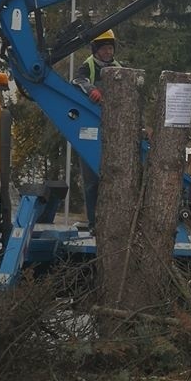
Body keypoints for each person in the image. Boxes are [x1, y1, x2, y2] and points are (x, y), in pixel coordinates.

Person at [71, 29, 120, 232]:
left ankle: (112, 222)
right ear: (96, 50)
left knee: (113, 179)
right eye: (105, 48)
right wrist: (92, 90)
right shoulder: (87, 66)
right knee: (91, 181)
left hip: (112, 130)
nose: (109, 52)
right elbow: (77, 81)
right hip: (89, 131)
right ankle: (94, 223)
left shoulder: (118, 68)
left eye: (111, 48)